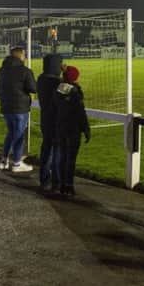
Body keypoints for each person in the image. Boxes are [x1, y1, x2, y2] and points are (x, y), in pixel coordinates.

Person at [0, 47, 37, 172]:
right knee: (18, 135)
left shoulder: (1, 70)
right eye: (24, 54)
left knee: (11, 133)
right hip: (20, 108)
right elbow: (33, 88)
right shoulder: (25, 71)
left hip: (6, 107)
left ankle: (4, 160)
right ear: (20, 55)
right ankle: (17, 164)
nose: (25, 56)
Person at [53, 66, 90, 196]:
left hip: (61, 126)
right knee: (71, 158)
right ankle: (69, 185)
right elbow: (80, 112)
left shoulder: (59, 88)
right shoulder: (74, 92)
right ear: (75, 77)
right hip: (73, 128)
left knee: (63, 156)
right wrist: (86, 129)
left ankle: (62, 184)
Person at [36, 54, 63, 191]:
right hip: (56, 121)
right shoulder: (58, 83)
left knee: (46, 149)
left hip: (45, 119)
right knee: (57, 151)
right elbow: (69, 90)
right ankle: (56, 181)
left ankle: (44, 178)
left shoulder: (41, 79)